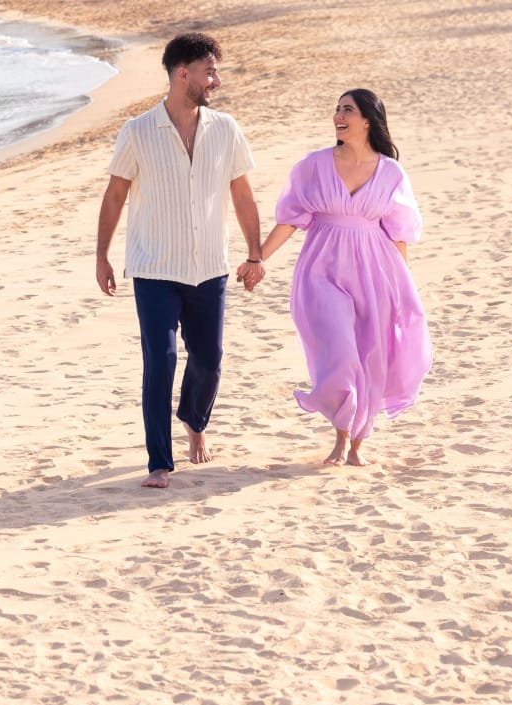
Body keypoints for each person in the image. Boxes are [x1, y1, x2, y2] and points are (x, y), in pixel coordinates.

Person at [96, 32, 263, 488]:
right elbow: (115, 195)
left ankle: (194, 420)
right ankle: (159, 462)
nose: (216, 80)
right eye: (210, 71)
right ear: (182, 73)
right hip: (154, 268)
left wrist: (255, 253)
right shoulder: (138, 131)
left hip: (209, 266)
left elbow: (243, 193)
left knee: (209, 359)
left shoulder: (226, 129)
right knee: (162, 360)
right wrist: (102, 256)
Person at [252, 89, 431, 466]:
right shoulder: (314, 165)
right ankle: (339, 431)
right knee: (339, 350)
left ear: (367, 120)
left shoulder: (391, 173)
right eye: (336, 109)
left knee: (370, 356)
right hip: (322, 269)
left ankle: (354, 446)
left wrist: (403, 288)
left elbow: (398, 233)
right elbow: (290, 219)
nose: (338, 115)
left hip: (374, 271)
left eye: (347, 109)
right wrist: (258, 258)